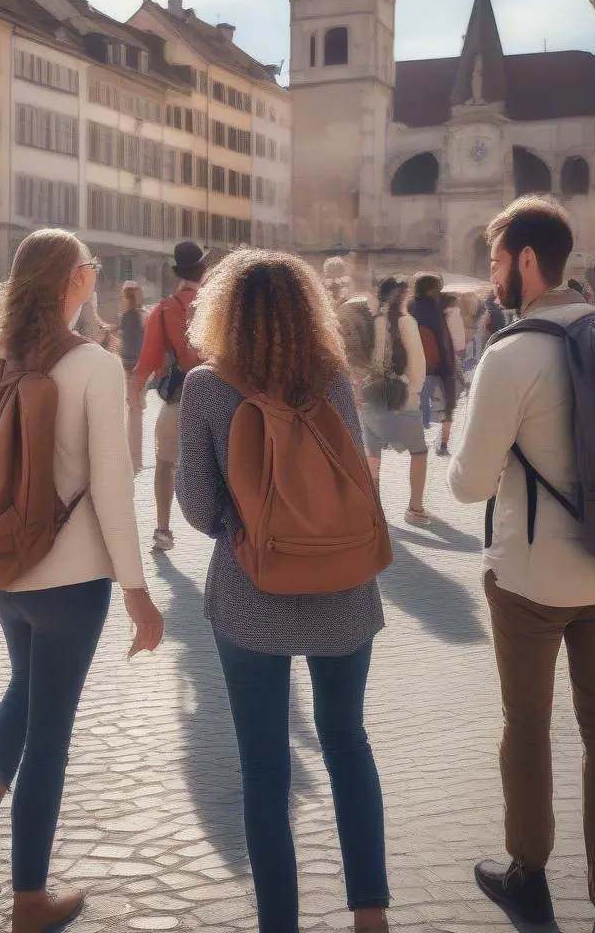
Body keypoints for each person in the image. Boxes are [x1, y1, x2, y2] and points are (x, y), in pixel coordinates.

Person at [0, 229, 163, 933]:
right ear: (76, 278)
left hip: (5, 571)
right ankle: (30, 900)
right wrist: (137, 591)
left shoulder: (3, 357)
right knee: (50, 733)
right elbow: (111, 487)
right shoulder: (93, 367)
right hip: (71, 583)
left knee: (24, 686)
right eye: (92, 268)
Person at [175, 250, 390, 933]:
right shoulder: (330, 378)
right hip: (343, 591)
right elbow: (355, 476)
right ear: (309, 311)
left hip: (250, 596)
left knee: (265, 770)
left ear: (223, 311)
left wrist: (248, 521)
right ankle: (370, 915)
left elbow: (198, 507)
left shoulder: (208, 388)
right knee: (347, 744)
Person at [448, 196, 595, 933]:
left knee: (527, 727)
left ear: (527, 262)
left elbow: (467, 484)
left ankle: (529, 877)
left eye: (496, 262)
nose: (493, 276)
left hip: (530, 580)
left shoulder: (512, 352)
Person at [132, 242, 207, 552]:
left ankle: (163, 530)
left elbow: (147, 360)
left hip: (179, 399)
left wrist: (135, 395)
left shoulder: (165, 309)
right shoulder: (217, 305)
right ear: (204, 271)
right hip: (217, 399)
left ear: (178, 272)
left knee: (164, 464)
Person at [361, 276, 430, 526]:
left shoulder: (372, 322)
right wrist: (413, 390)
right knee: (419, 452)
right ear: (404, 296)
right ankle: (415, 509)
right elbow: (418, 364)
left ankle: (372, 507)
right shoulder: (406, 322)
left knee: (373, 453)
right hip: (404, 398)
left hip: (372, 396)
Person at [410, 274, 457, 457]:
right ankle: (443, 444)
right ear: (431, 290)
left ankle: (417, 442)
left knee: (418, 407)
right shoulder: (438, 308)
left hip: (420, 367)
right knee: (448, 407)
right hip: (442, 366)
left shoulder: (411, 308)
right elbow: (444, 341)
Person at [119, 281, 147, 473]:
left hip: (130, 368)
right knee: (136, 412)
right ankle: (135, 459)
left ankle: (134, 459)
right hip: (137, 368)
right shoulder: (139, 316)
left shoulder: (129, 316)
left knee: (134, 411)